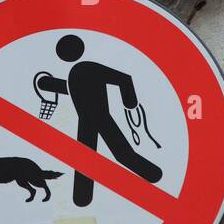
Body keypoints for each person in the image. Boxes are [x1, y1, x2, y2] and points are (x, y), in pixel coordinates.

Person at [37, 34, 162, 207]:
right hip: (90, 119)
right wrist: (130, 103)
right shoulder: (81, 71)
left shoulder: (81, 70)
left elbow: (123, 79)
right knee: (94, 159)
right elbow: (122, 80)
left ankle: (153, 175)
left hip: (98, 117)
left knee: (117, 155)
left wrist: (130, 104)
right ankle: (82, 199)